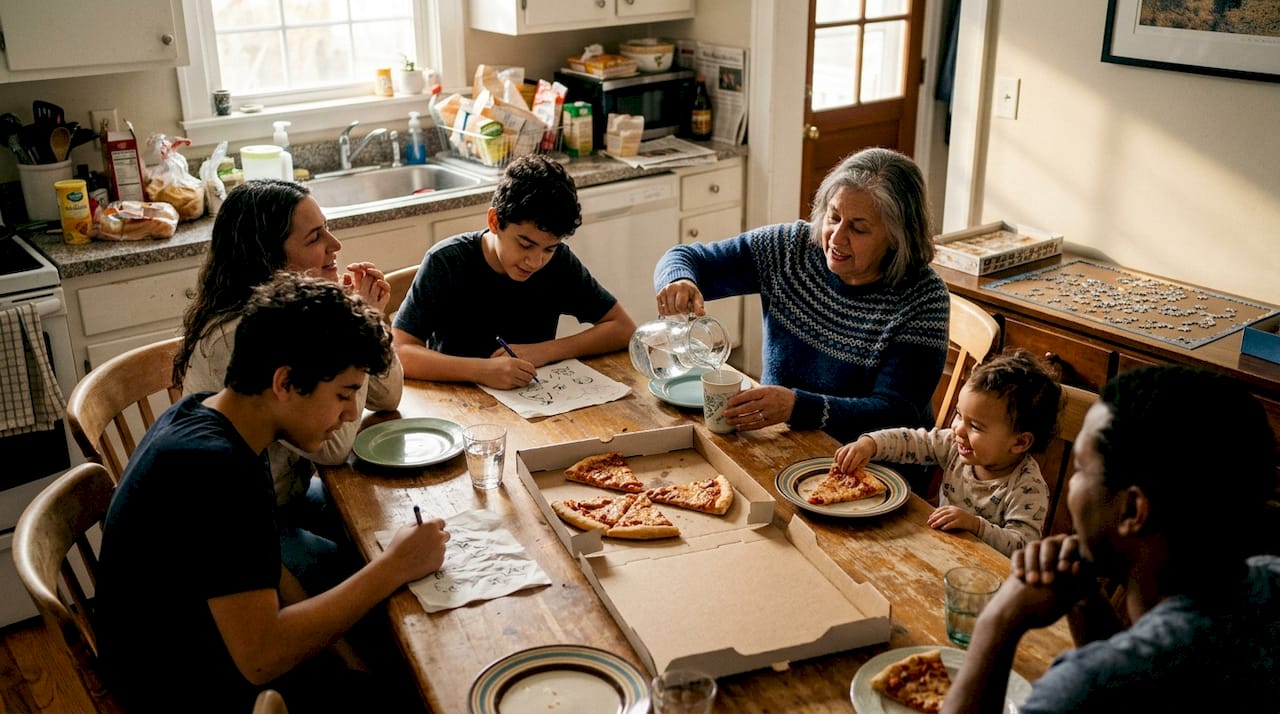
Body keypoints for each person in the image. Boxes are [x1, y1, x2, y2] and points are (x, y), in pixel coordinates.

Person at [97, 274, 451, 713]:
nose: (347, 414)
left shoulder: (219, 414)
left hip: (201, 645)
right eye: (343, 394)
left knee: (388, 650)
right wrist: (392, 568)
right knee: (426, 690)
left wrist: (345, 653)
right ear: (284, 383)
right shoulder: (216, 470)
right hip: (185, 688)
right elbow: (261, 660)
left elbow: (265, 568)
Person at [943, 365, 1280, 713]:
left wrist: (996, 625)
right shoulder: (1270, 579)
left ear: (1133, 510)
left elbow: (1119, 682)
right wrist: (1086, 598)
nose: (1071, 485)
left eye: (1082, 470)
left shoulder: (1083, 688)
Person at [175, 179, 403, 594]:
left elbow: (388, 396)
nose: (335, 245)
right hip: (249, 520)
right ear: (268, 259)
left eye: (328, 229)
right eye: (316, 237)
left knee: (388, 523)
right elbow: (332, 450)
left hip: (289, 496)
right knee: (363, 559)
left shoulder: (292, 318)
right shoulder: (244, 336)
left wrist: (368, 325)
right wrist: (360, 324)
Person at [653, 147, 950, 444]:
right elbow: (685, 257)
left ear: (898, 238)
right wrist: (680, 279)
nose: (835, 237)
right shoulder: (792, 249)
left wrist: (797, 406)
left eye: (858, 229)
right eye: (833, 217)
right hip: (783, 439)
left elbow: (896, 413)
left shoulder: (923, 299)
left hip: (876, 463)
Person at [392, 154, 636, 388]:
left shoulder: (559, 263)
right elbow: (401, 352)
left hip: (530, 404)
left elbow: (623, 328)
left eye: (549, 248)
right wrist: (482, 371)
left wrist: (544, 351)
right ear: (494, 221)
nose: (535, 261)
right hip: (457, 402)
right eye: (525, 244)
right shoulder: (446, 262)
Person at [835, 349, 1062, 555]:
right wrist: (871, 444)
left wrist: (976, 526)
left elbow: (1022, 547)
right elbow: (912, 441)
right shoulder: (956, 445)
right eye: (959, 415)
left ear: (1020, 442)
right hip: (940, 550)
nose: (958, 429)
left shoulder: (1027, 488)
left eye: (975, 426)